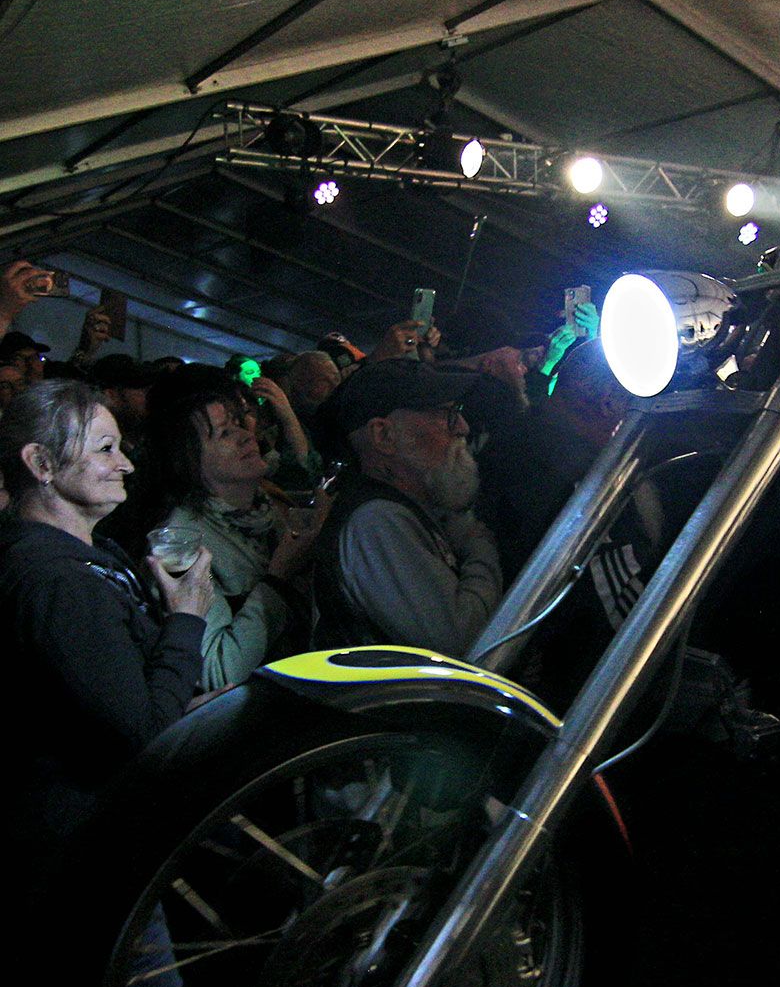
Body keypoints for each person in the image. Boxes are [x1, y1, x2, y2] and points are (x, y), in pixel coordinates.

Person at [0, 379, 214, 841]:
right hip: (85, 834)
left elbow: (113, 701)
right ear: (41, 463)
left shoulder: (92, 553)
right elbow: (143, 738)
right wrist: (186, 618)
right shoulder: (57, 581)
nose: (126, 464)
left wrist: (190, 704)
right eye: (105, 449)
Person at [145, 366, 326, 690]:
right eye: (225, 433)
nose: (246, 436)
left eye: (240, 423)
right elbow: (220, 671)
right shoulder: (183, 541)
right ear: (189, 458)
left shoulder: (271, 505)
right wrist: (279, 577)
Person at [311, 358, 502, 657]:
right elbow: (460, 639)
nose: (463, 428)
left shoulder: (402, 510)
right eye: (447, 414)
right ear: (384, 436)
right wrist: (479, 546)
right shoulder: (376, 521)